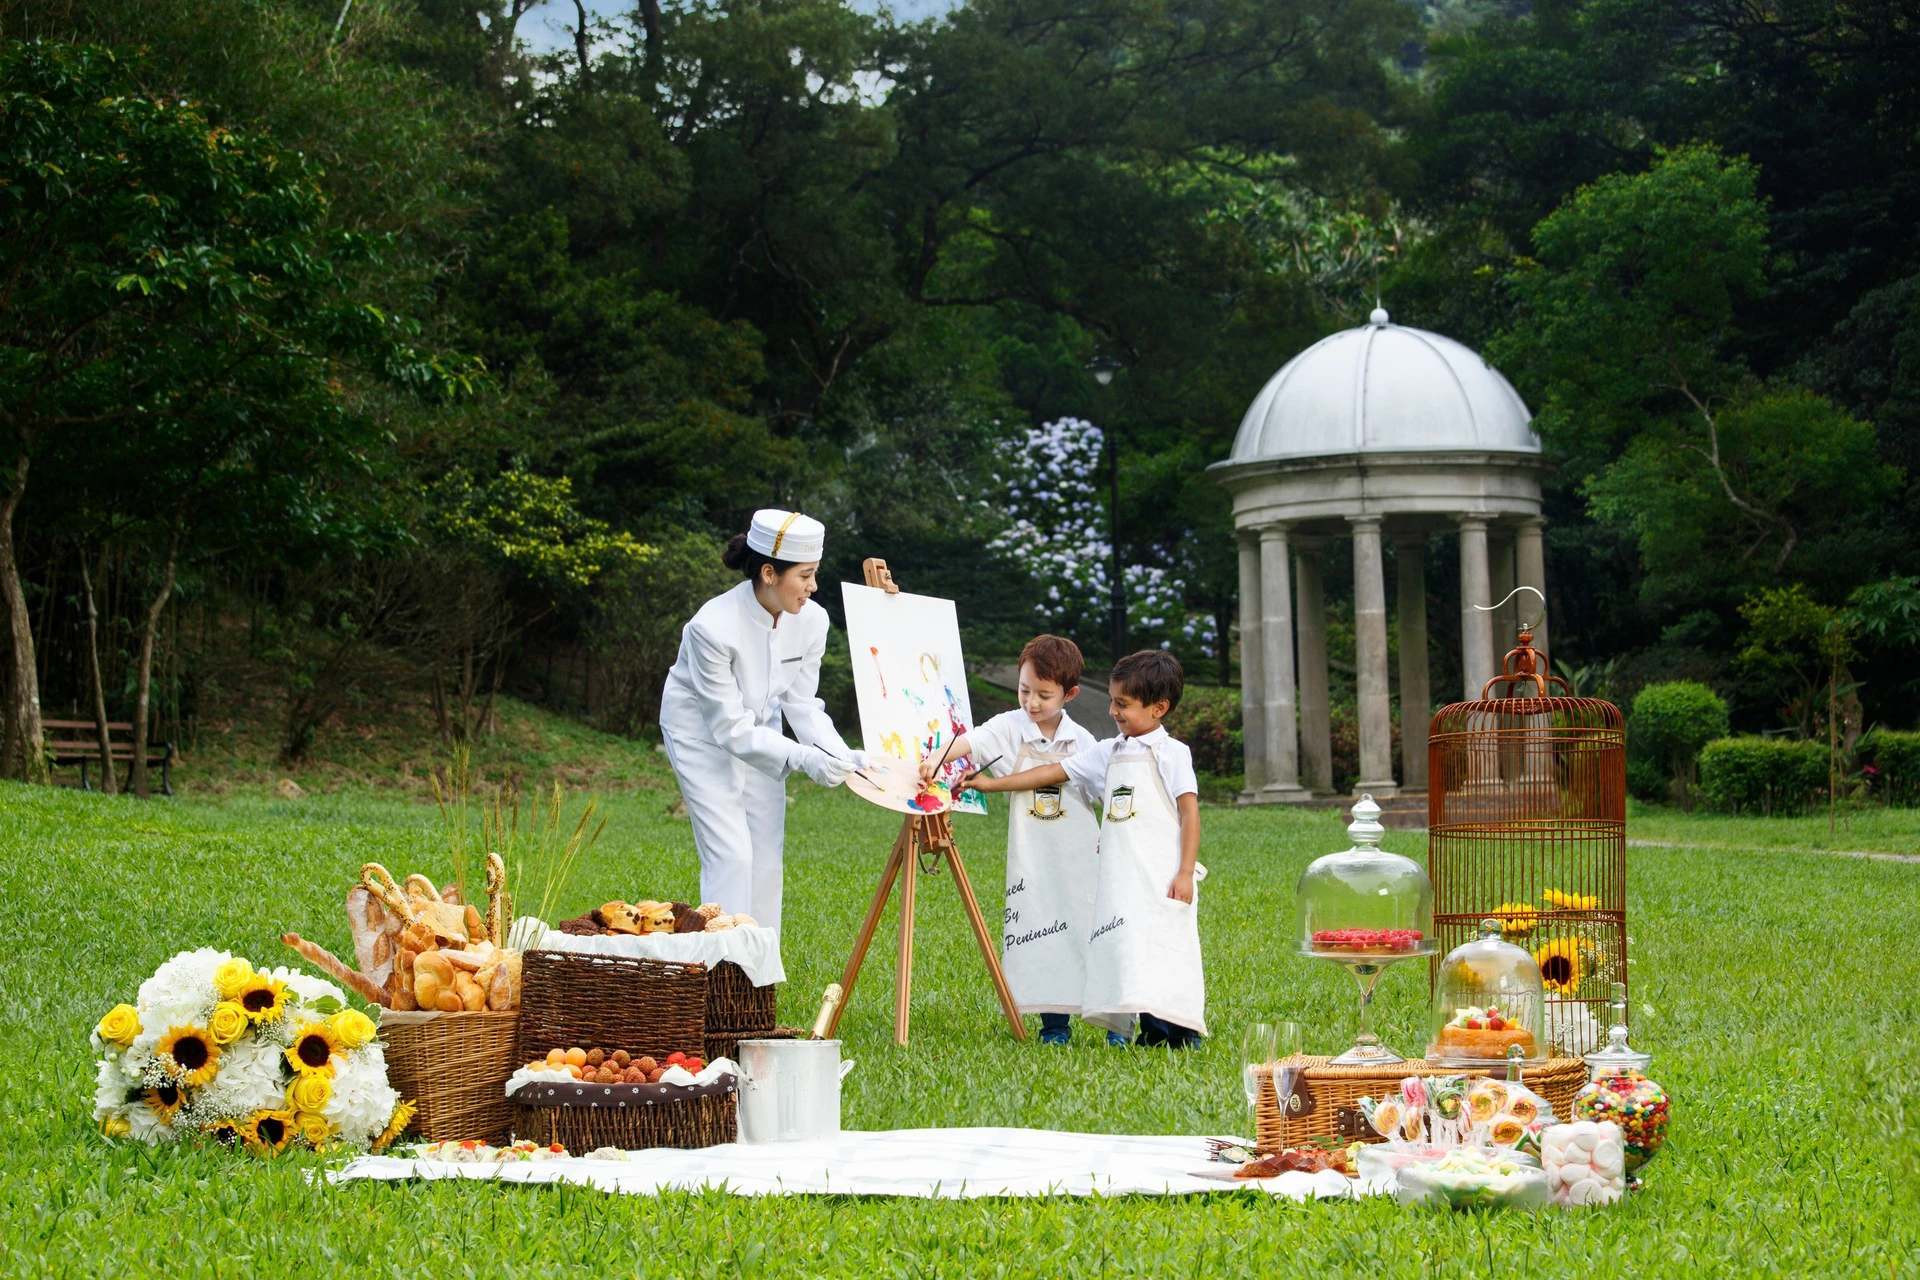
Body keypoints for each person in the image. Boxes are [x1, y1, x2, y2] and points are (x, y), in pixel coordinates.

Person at [961, 649, 1205, 1047]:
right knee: (1126, 951)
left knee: (1165, 951)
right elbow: (1049, 772)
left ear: (1159, 708)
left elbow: (1189, 814)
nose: (1112, 711)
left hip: (1163, 874)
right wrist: (990, 784)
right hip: (1122, 876)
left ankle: (1177, 1033)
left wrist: (1184, 871)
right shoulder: (1108, 751)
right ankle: (1140, 1032)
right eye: (1112, 700)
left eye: (1122, 704)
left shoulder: (1172, 753)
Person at [658, 509, 862, 932]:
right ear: (769, 572)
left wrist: (841, 756)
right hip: (700, 733)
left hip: (762, 729)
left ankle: (758, 979)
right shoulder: (710, 628)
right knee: (732, 854)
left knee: (767, 856)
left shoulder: (813, 620)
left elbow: (802, 703)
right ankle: (723, 977)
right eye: (804, 575)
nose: (814, 586)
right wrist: (805, 758)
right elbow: (729, 728)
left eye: (815, 573)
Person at [920, 635, 1127, 1046]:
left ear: (1069, 694)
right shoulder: (1009, 726)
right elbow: (971, 742)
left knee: (1095, 935)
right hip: (1034, 861)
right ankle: (1054, 1027)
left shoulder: (1081, 741)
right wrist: (937, 757)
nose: (1031, 703)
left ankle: (1116, 1026)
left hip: (1081, 856)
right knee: (1042, 937)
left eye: (1043, 695)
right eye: (1024, 690)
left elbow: (1110, 797)